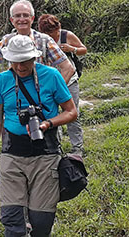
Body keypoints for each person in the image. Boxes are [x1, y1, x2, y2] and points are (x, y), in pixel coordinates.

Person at [0, 34, 78, 237]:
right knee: (12, 220)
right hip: (12, 155)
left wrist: (48, 123)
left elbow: (71, 111)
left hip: (46, 156)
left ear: (34, 58)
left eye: (25, 61)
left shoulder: (52, 76)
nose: (20, 66)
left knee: (41, 224)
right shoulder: (2, 80)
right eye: (15, 61)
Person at [0, 0, 74, 93]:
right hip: (15, 99)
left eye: (25, 15)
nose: (22, 19)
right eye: (17, 16)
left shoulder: (44, 40)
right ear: (12, 20)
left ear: (32, 19)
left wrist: (55, 93)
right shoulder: (7, 41)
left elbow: (68, 68)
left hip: (40, 100)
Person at [38, 14, 87, 156]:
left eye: (55, 33)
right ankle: (56, 147)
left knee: (72, 114)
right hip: (49, 84)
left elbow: (84, 49)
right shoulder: (38, 41)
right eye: (50, 34)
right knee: (53, 116)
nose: (54, 36)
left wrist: (72, 49)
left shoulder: (66, 35)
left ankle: (77, 148)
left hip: (69, 81)